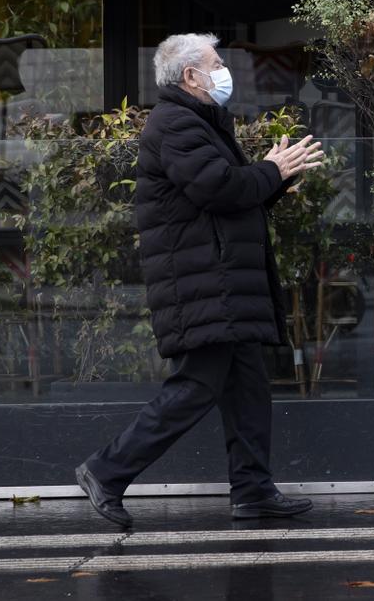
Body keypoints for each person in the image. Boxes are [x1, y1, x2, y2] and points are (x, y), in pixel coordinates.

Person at [75, 33, 324, 527]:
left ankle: (252, 492)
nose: (222, 71)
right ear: (191, 76)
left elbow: (230, 200)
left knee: (248, 389)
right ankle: (105, 471)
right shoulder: (175, 124)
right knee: (195, 387)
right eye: (215, 64)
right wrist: (269, 171)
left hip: (224, 284)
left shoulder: (200, 122)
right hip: (207, 287)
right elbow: (218, 188)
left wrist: (275, 175)